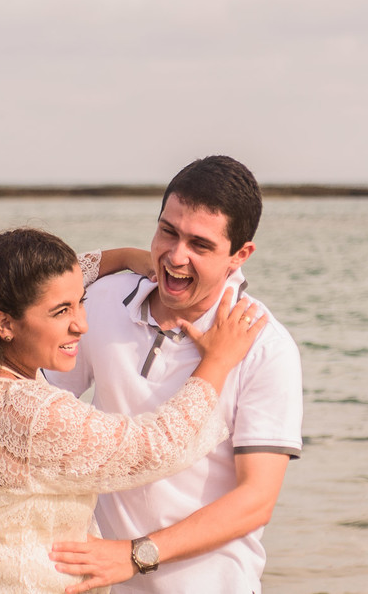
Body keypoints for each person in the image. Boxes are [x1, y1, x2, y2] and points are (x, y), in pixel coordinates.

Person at [0, 228, 267, 593]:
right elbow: (157, 446)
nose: (81, 323)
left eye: (81, 301)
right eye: (61, 311)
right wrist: (219, 361)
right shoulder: (38, 414)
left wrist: (127, 257)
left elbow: (58, 277)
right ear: (5, 324)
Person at [46, 156, 304, 593]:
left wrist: (134, 555)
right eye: (168, 232)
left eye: (200, 245)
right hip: (101, 583)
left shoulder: (266, 348)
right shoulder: (103, 301)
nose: (176, 256)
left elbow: (255, 500)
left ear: (239, 255)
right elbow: (40, 405)